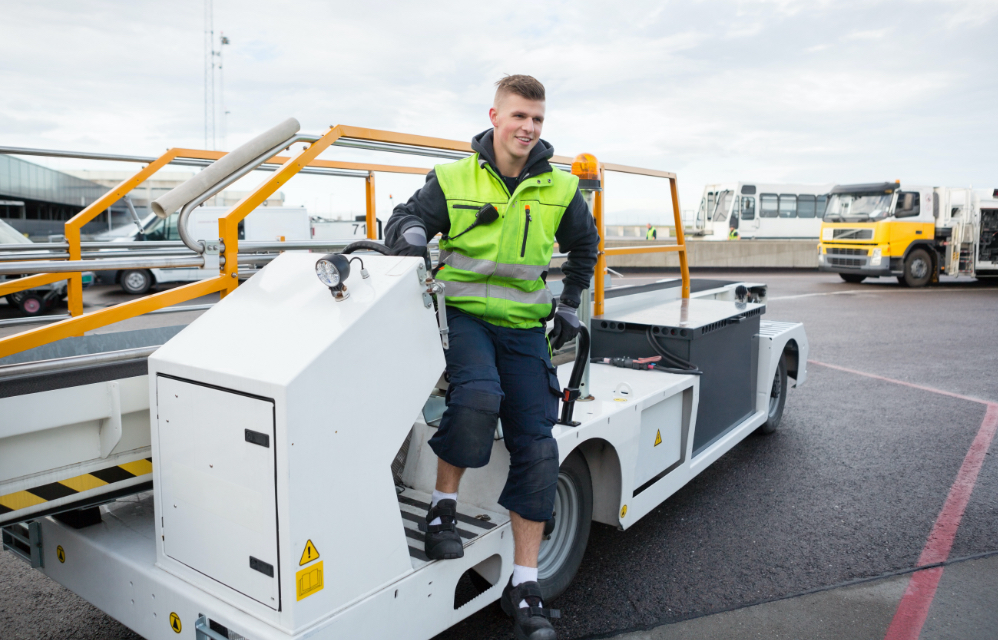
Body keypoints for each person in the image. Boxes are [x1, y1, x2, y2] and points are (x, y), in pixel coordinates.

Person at [385, 74, 599, 640]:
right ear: (495, 117)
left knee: (538, 445)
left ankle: (525, 584)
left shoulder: (559, 188)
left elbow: (586, 245)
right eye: (519, 116)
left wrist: (569, 302)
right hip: (465, 317)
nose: (528, 127)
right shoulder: (454, 178)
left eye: (537, 119)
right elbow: (402, 219)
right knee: (478, 397)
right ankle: (442, 507)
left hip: (525, 325)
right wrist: (412, 237)